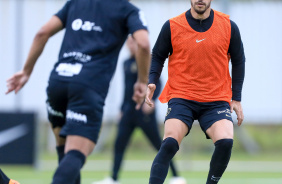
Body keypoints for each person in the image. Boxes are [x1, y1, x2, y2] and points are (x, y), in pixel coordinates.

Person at [6, 0, 151, 183]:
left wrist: (26, 71)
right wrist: (142, 81)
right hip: (87, 86)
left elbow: (42, 32)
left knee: (64, 151)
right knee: (76, 154)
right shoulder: (128, 9)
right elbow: (144, 44)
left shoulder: (75, 3)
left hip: (57, 82)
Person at [145, 0, 245, 184]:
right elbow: (158, 55)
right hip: (182, 96)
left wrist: (236, 98)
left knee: (225, 142)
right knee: (169, 143)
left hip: (216, 99)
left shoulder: (228, 26)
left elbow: (239, 60)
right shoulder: (173, 26)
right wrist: (151, 81)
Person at [92, 36, 186, 184]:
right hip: (128, 112)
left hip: (144, 112)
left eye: (133, 43)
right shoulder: (126, 63)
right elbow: (126, 89)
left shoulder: (146, 62)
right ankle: (113, 178)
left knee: (160, 145)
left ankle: (176, 176)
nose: (130, 46)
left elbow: (157, 83)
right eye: (128, 43)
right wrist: (121, 109)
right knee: (119, 144)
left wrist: (152, 101)